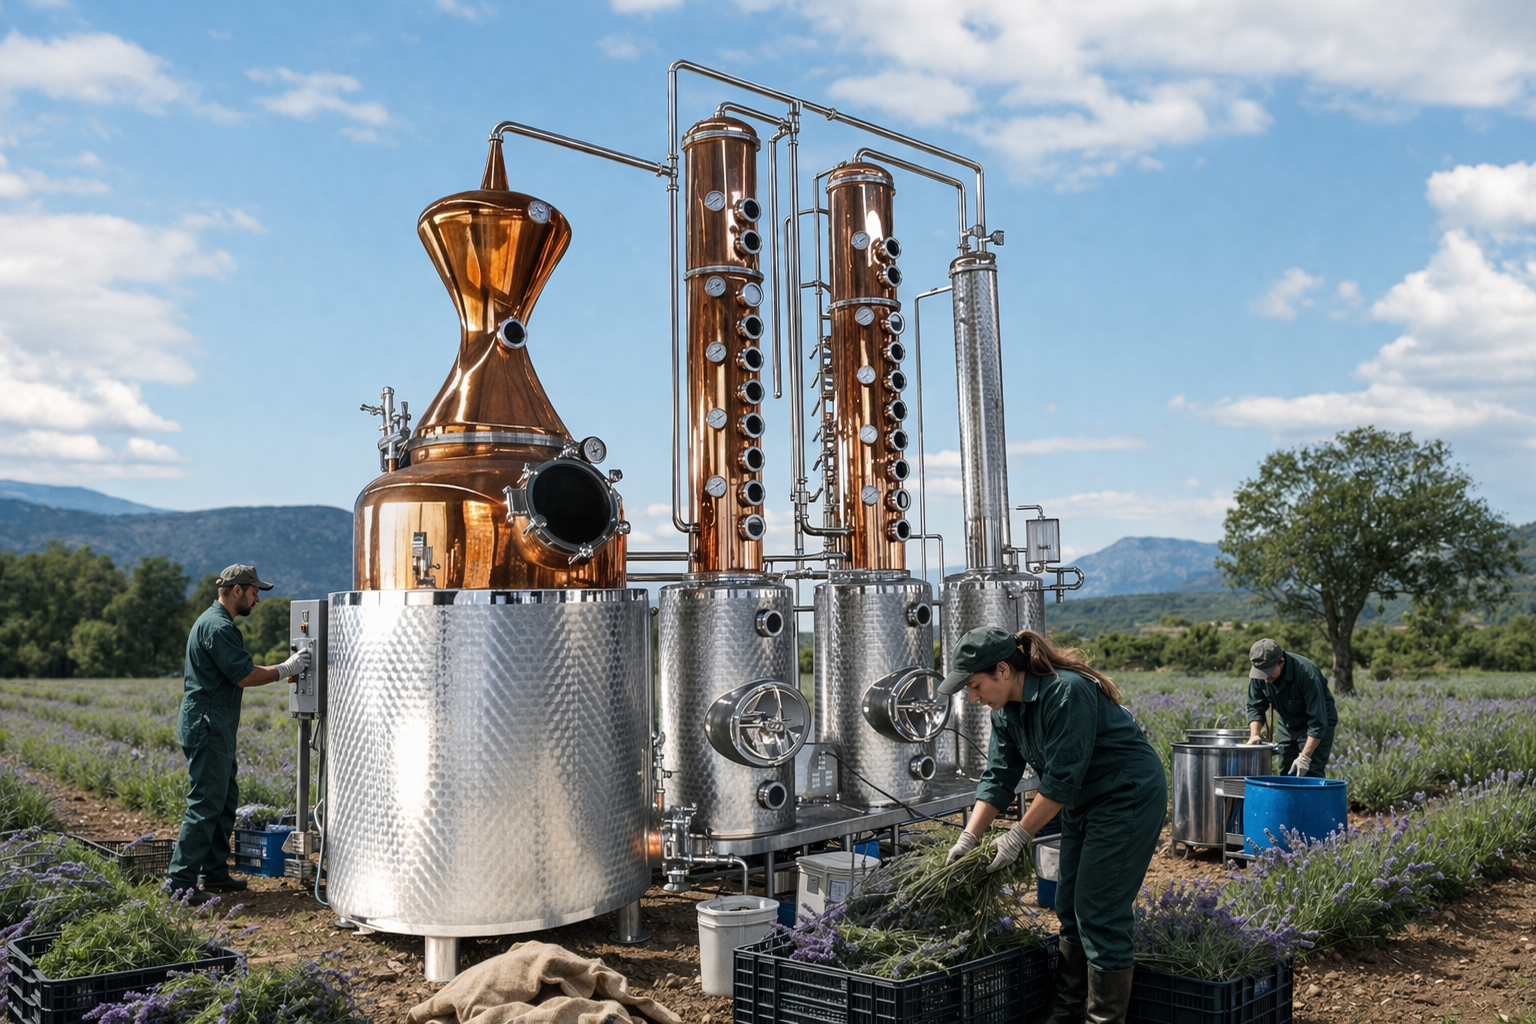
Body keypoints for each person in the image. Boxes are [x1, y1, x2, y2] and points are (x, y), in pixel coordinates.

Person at [939, 627, 1166, 1024]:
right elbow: (998, 776)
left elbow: (1060, 781)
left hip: (1125, 795)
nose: (973, 698)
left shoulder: (1067, 692)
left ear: (1003, 671)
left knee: (1100, 911)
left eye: (975, 686)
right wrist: (969, 836)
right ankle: (1065, 1014)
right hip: (1082, 801)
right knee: (1069, 907)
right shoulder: (1007, 710)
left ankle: (1104, 1020)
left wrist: (1017, 836)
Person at [165, 565, 309, 904]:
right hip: (209, 725)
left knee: (224, 799)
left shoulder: (216, 623)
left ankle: (213, 873)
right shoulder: (218, 627)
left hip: (215, 726)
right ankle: (179, 885)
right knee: (205, 804)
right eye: (254, 591)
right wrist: (286, 668)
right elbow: (244, 675)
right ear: (236, 590)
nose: (258, 598)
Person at [1244, 638, 1337, 777]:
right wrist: (1255, 735)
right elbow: (1255, 705)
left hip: (1317, 720)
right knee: (1286, 768)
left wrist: (1305, 757)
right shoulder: (1260, 673)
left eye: (1268, 672)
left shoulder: (1306, 674)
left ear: (1281, 662)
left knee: (1310, 770)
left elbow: (1318, 722)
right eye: (1260, 673)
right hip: (1287, 721)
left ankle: (1309, 798)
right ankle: (1288, 799)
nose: (1264, 678)